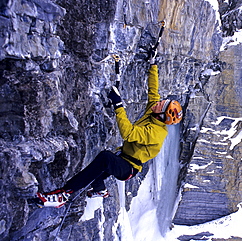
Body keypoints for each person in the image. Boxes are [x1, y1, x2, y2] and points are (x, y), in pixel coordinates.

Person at [36, 59, 183, 208]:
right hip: (122, 157)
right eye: (163, 102)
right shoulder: (154, 111)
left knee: (105, 159)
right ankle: (100, 190)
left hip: (128, 167)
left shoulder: (156, 134)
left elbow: (128, 133)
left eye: (162, 105)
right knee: (96, 172)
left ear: (163, 115)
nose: (159, 102)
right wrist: (153, 64)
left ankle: (64, 194)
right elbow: (153, 89)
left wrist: (118, 105)